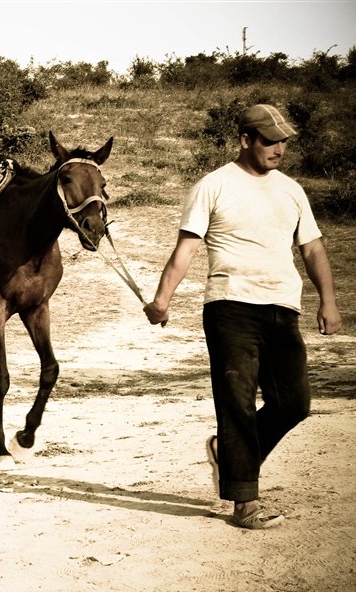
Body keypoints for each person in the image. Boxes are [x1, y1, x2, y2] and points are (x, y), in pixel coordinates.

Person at [143, 104, 342, 529]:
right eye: (270, 140)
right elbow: (186, 250)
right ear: (245, 139)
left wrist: (329, 300)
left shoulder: (291, 190)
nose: (280, 148)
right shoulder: (213, 186)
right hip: (230, 307)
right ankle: (244, 502)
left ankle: (229, 455)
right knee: (236, 403)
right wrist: (162, 300)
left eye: (284, 140)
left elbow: (312, 249)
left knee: (294, 404)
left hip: (283, 308)